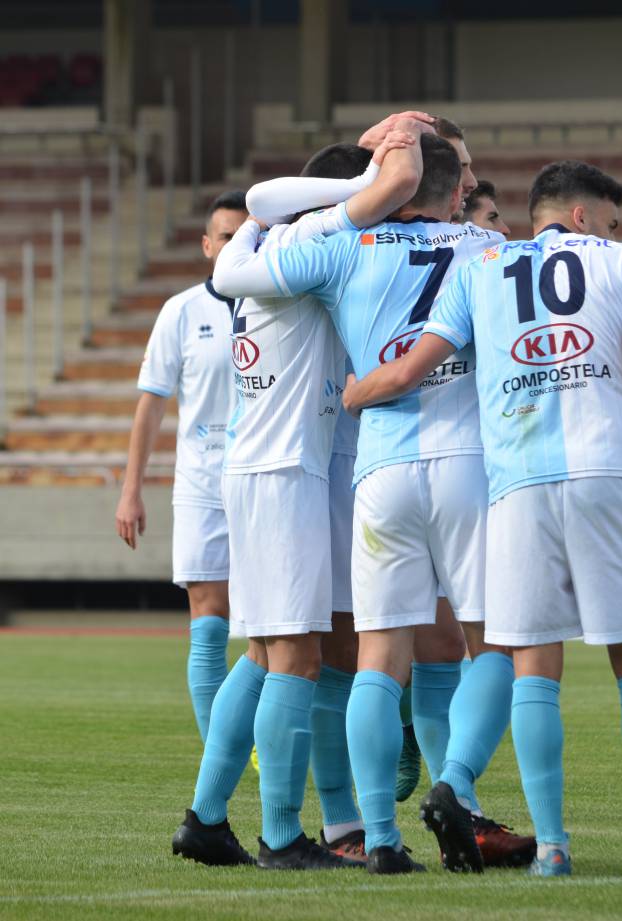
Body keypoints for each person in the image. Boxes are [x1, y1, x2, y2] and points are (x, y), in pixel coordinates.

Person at [342, 159, 622, 878]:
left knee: (535, 668)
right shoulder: (620, 260)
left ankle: (555, 847)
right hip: (606, 471)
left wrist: (355, 393)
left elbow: (412, 370)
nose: (613, 229)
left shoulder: (481, 269)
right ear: (581, 217)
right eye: (609, 218)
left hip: (517, 485)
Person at [219, 132, 541, 873]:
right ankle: (455, 788)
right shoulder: (488, 248)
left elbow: (249, 243)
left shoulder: (343, 246)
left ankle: (382, 840)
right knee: (495, 644)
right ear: (455, 192)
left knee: (375, 660)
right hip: (467, 465)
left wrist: (367, 181)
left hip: (380, 470)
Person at [172, 120, 429, 871]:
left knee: (260, 651)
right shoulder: (317, 245)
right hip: (284, 469)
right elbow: (270, 195)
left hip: (259, 466)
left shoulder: (262, 245)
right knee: (298, 657)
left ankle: (207, 816)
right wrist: (371, 181)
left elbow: (258, 208)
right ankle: (281, 834)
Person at [115, 190, 248, 744]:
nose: (237, 244)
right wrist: (131, 491)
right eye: (226, 236)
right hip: (201, 484)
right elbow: (152, 401)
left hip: (270, 480)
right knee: (208, 622)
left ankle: (254, 740)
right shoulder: (182, 311)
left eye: (248, 235)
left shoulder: (283, 304)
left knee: (285, 630)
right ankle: (228, 756)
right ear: (206, 246)